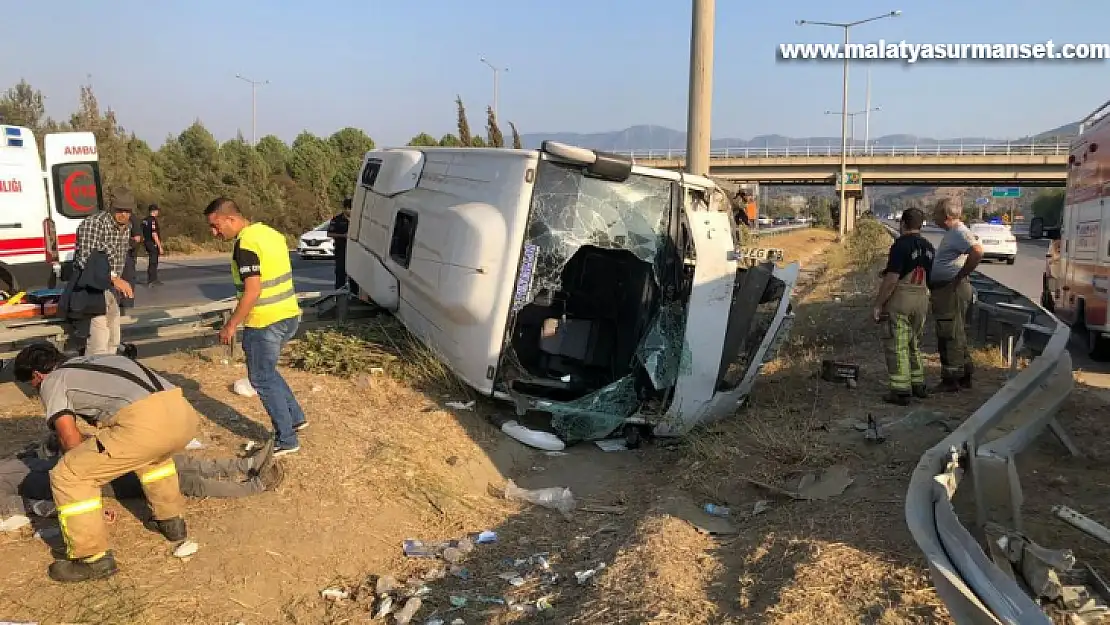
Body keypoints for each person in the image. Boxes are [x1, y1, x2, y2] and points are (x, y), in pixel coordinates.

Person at [11, 342, 200, 582]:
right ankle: (171, 521)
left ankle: (92, 559)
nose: (36, 391)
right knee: (151, 457)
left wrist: (83, 465)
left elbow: (69, 439)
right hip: (183, 413)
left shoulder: (53, 380)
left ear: (37, 375)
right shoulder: (98, 360)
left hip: (144, 424)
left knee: (69, 474)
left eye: (32, 386)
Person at [204, 198, 307, 457]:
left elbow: (253, 291)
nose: (214, 233)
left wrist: (231, 325)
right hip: (288, 314)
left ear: (231, 219)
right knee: (267, 371)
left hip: (265, 320)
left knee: (260, 377)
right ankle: (295, 417)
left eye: (216, 226)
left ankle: (287, 439)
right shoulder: (269, 234)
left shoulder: (246, 244)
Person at [0, 439, 282, 521]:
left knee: (177, 462)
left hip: (95, 461)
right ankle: (253, 486)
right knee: (183, 481)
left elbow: (37, 453)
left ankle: (245, 464)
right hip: (95, 483)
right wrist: (92, 510)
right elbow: (27, 506)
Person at [872, 208, 935, 405]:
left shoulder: (900, 246)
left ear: (903, 224)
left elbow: (892, 279)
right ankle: (918, 384)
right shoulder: (929, 247)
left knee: (897, 345)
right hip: (922, 299)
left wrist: (878, 304)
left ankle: (900, 391)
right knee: (913, 343)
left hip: (902, 300)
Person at [929, 198, 984, 392]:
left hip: (951, 290)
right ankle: (964, 374)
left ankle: (951, 379)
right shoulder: (953, 233)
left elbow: (977, 252)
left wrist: (959, 276)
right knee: (956, 332)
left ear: (945, 216)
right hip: (949, 288)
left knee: (949, 333)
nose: (933, 217)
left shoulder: (960, 232)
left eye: (935, 213)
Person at [72, 187, 135, 355]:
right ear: (111, 207)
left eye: (127, 211)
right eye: (119, 210)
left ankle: (110, 374)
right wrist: (114, 278)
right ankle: (93, 375)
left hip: (112, 291)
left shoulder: (126, 228)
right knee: (99, 341)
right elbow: (84, 259)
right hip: (94, 290)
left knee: (113, 339)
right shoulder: (94, 224)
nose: (124, 215)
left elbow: (121, 258)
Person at [327, 198, 352, 291]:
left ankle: (355, 296)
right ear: (345, 209)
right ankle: (339, 295)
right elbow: (329, 233)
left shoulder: (357, 219)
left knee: (355, 276)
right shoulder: (337, 219)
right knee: (340, 274)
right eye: (349, 208)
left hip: (354, 251)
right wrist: (343, 236)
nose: (351, 211)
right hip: (341, 250)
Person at [141, 204, 165, 286]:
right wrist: (160, 246)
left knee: (152, 261)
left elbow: (142, 232)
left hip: (146, 243)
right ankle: (152, 280)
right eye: (157, 210)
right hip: (152, 243)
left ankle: (153, 279)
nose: (158, 212)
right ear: (154, 211)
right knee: (153, 262)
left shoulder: (144, 220)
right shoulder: (153, 220)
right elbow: (154, 234)